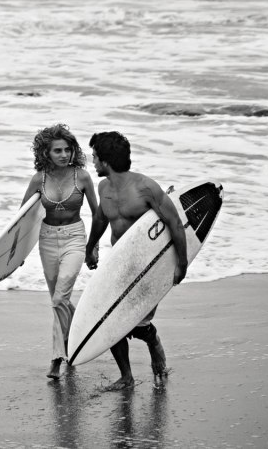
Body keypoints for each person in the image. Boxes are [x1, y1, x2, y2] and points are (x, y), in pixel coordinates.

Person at [84, 131, 189, 389]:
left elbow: (175, 224)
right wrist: (90, 248)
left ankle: (152, 339)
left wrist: (182, 264)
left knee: (135, 324)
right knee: (110, 320)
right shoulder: (103, 187)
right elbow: (100, 218)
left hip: (147, 266)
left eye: (95, 157)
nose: (93, 162)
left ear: (106, 161)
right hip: (118, 263)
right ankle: (127, 377)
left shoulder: (145, 188)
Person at [20, 124, 98, 379]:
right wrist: (15, 256)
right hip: (47, 240)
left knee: (59, 297)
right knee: (59, 299)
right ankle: (78, 332)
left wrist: (92, 248)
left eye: (68, 149)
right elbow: (21, 220)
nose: (64, 155)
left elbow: (98, 215)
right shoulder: (39, 179)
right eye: (58, 151)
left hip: (75, 237)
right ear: (46, 153)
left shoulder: (82, 177)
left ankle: (57, 357)